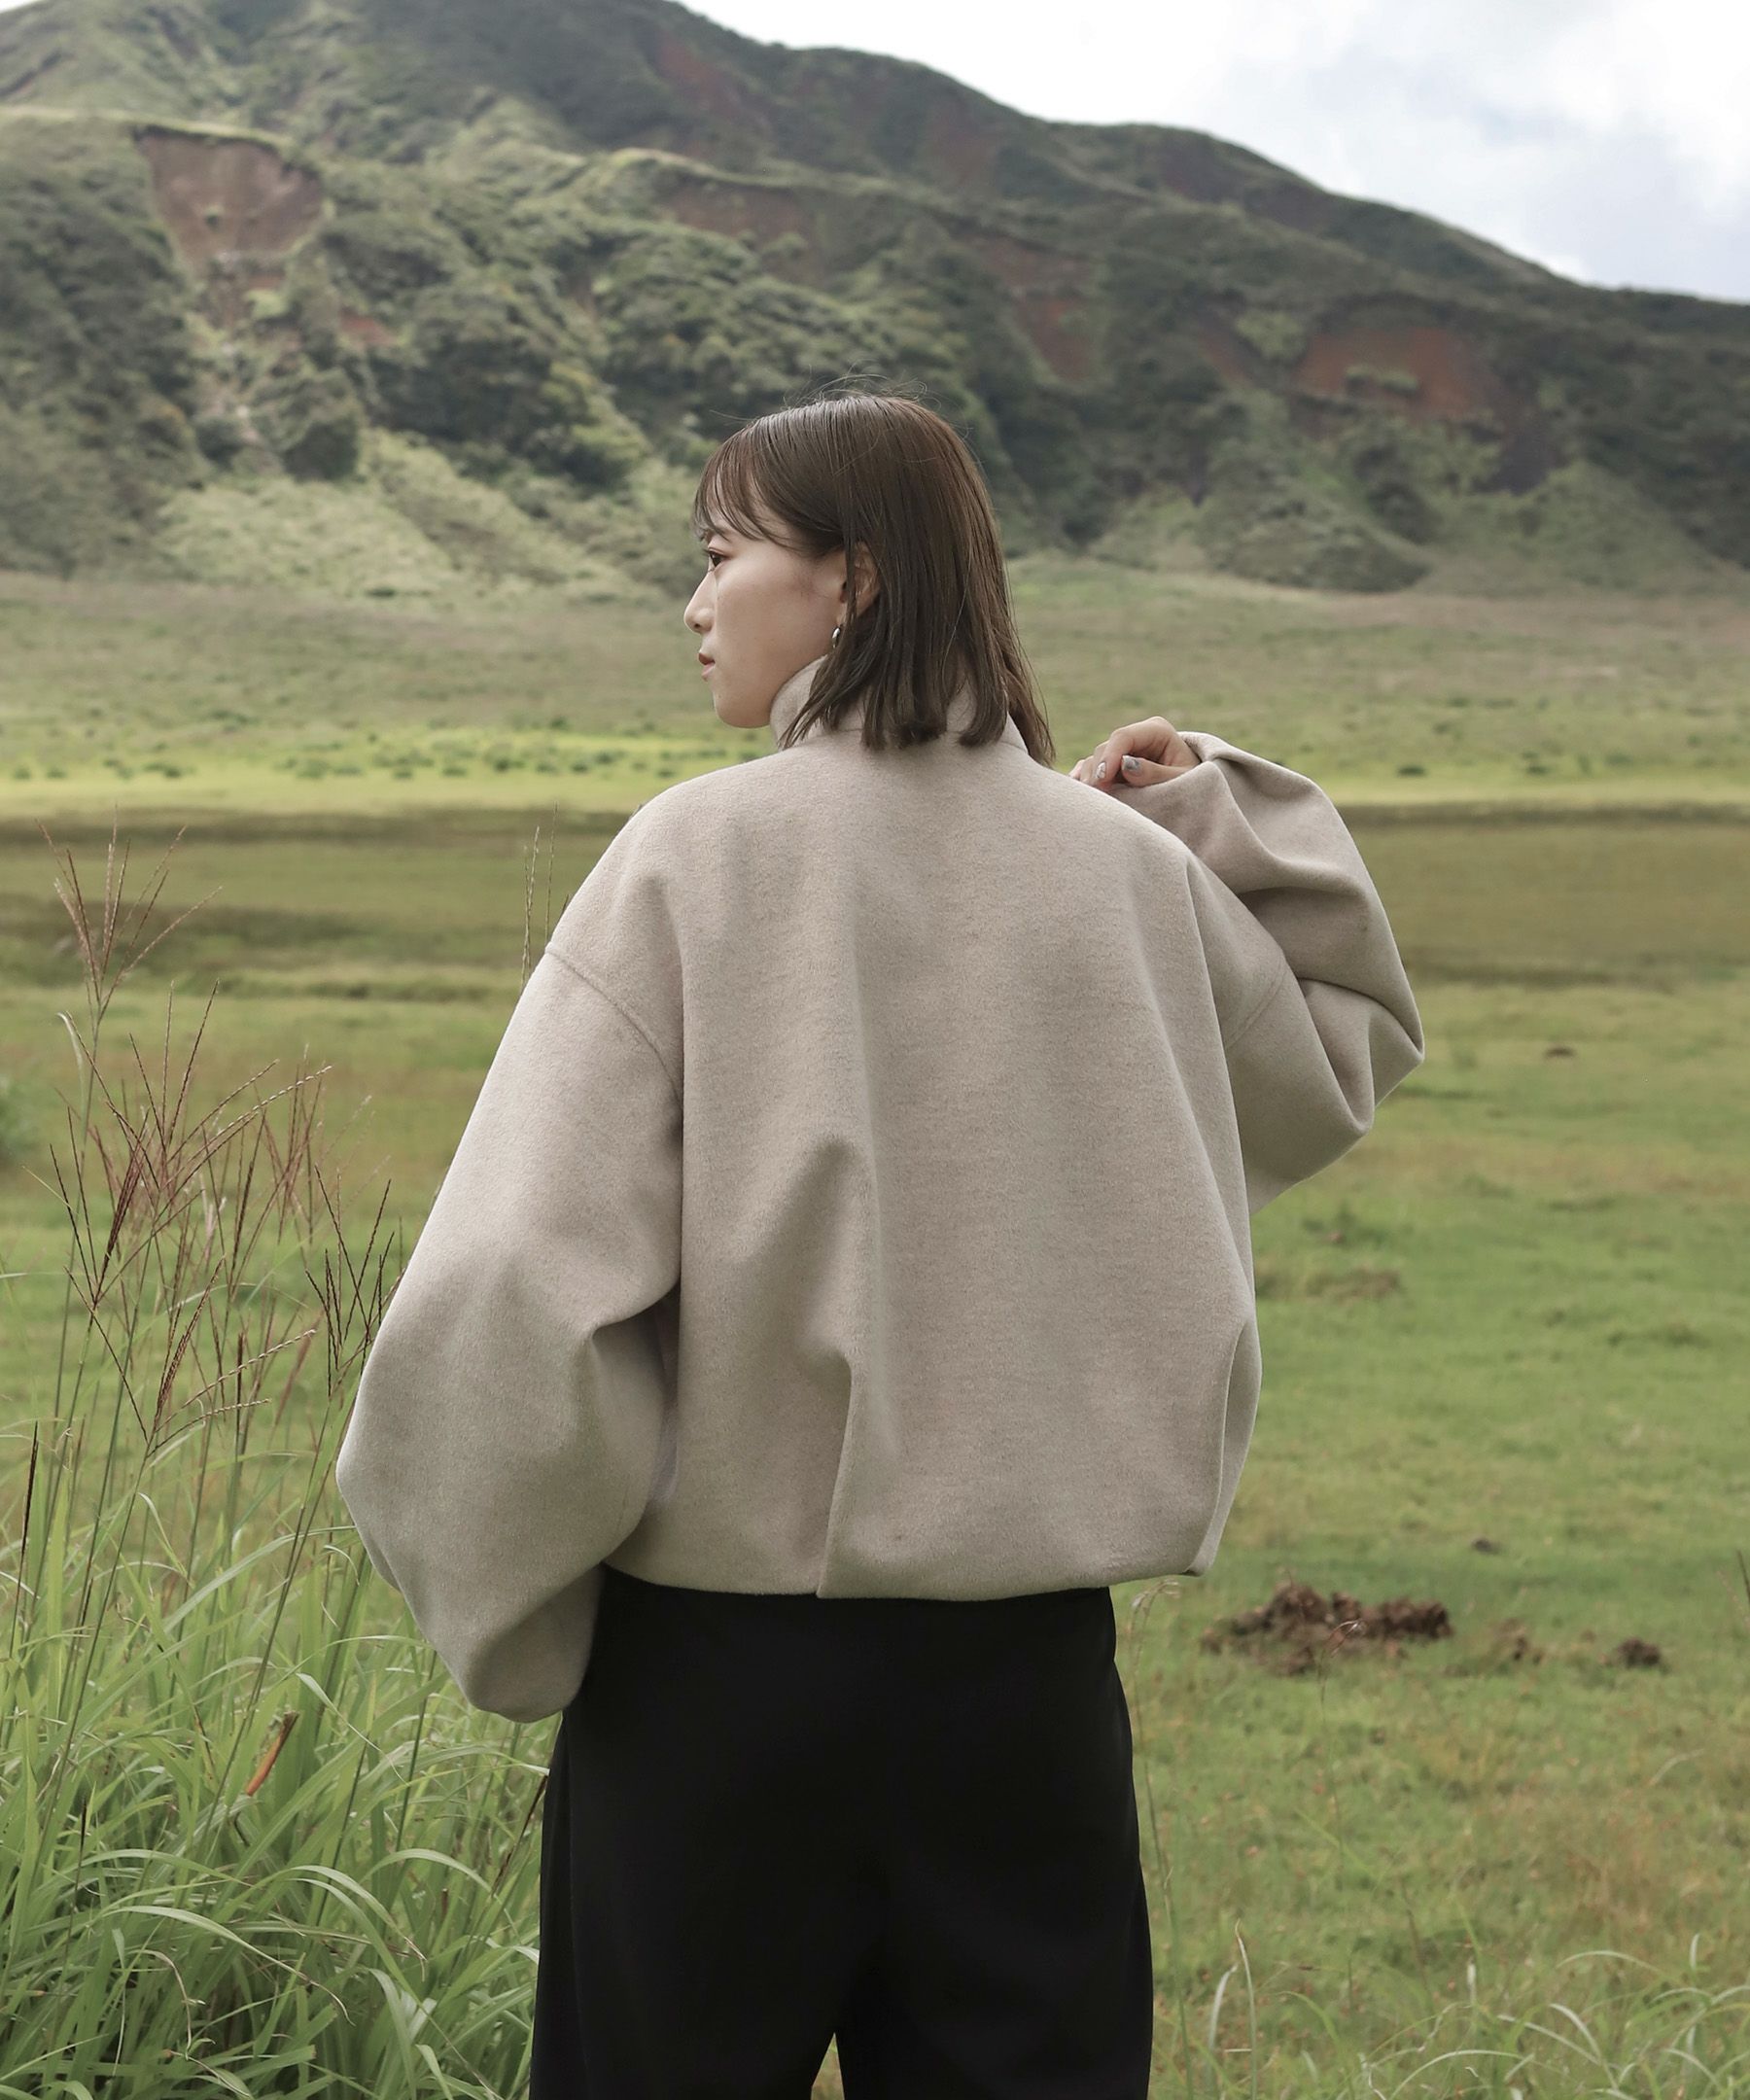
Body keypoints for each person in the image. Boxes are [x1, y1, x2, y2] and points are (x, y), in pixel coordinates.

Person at [333, 381, 1426, 2097]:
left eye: (723, 554)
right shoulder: (1124, 880)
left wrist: (525, 1625)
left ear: (850, 579)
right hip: (1030, 1700)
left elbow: (507, 1296)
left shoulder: (691, 856)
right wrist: (1190, 807)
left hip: (713, 1691)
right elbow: (1338, 1042)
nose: (695, 603)